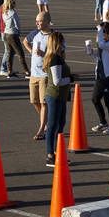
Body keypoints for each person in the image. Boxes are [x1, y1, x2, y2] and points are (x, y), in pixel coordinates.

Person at [42, 32, 72, 166]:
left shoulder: (59, 58)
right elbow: (57, 81)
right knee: (53, 126)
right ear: (57, 43)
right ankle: (50, 155)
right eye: (63, 41)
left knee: (60, 125)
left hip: (61, 96)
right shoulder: (55, 59)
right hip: (55, 95)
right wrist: (71, 78)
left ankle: (58, 152)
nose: (64, 44)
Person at [23, 12, 53, 141]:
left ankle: (42, 129)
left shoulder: (53, 36)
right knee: (35, 101)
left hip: (45, 74)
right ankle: (47, 122)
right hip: (34, 73)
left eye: (39, 21)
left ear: (47, 21)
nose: (37, 23)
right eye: (36, 21)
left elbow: (59, 54)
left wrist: (44, 54)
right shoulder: (35, 33)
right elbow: (25, 41)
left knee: (43, 102)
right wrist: (31, 52)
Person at [90, 22, 109, 134]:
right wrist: (90, 51)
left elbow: (102, 45)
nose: (98, 34)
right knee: (95, 99)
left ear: (105, 32)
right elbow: (99, 58)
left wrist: (99, 30)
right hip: (101, 76)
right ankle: (103, 122)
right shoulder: (106, 44)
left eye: (101, 32)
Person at [0, 0, 24, 77]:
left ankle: (10, 69)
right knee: (8, 51)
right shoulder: (5, 8)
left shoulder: (5, 8)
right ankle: (3, 68)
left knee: (11, 52)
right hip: (6, 31)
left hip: (6, 31)